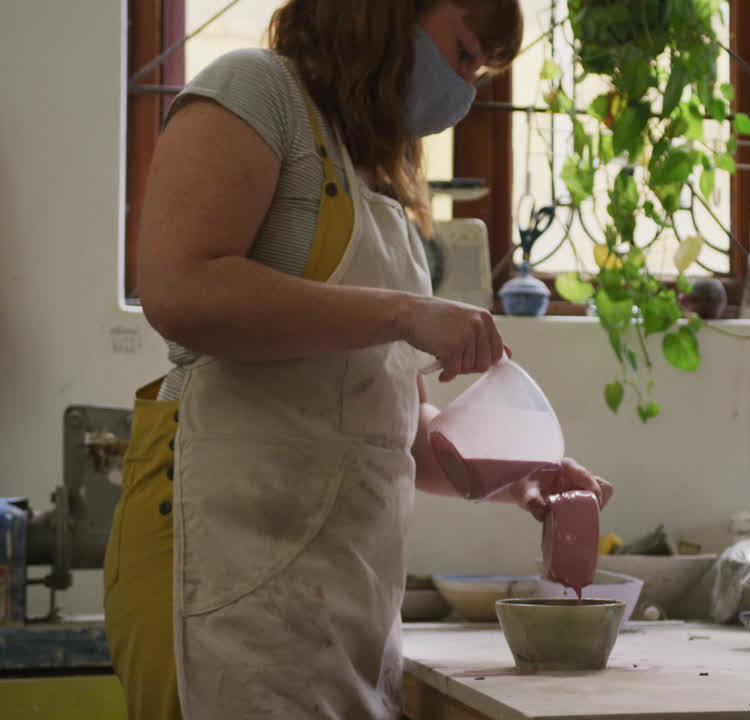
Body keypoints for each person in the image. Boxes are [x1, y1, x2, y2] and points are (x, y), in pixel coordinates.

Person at [102, 2, 612, 718]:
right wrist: (406, 313)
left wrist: (519, 474)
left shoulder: (377, 178)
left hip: (340, 596)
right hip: (220, 564)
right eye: (465, 55)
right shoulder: (254, 92)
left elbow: (384, 419)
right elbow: (180, 288)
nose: (467, 92)